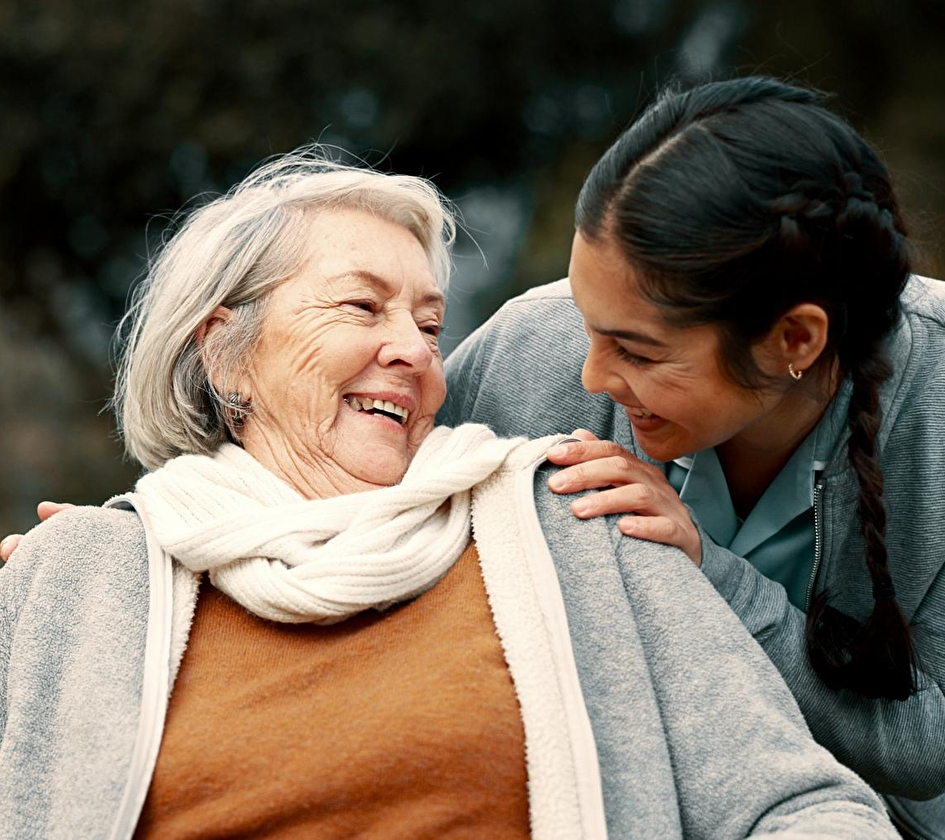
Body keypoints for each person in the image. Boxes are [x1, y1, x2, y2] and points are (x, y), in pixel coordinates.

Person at [0, 151, 898, 839]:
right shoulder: (82, 577)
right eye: (361, 308)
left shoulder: (576, 521)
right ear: (224, 353)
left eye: (430, 324)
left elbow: (798, 807)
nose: (416, 349)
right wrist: (57, 578)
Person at [438, 77, 945, 839]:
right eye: (586, 322)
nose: (592, 378)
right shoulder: (523, 353)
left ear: (794, 340)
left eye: (637, 352)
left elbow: (927, 743)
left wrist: (707, 571)